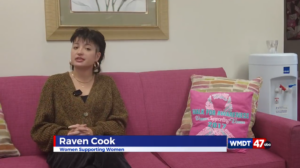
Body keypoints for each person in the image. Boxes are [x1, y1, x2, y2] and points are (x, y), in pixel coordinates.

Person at [30, 27, 131, 168]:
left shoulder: (107, 83)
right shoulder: (54, 83)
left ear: (97, 56)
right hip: (67, 150)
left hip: (100, 146)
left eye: (87, 48)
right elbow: (39, 129)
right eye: (75, 47)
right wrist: (67, 133)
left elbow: (119, 123)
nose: (79, 51)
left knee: (103, 150)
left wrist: (94, 131)